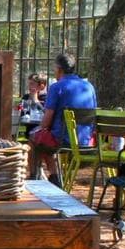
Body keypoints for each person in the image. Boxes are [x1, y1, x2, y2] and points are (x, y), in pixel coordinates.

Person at [27, 52, 97, 187]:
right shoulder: (89, 87)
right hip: (86, 140)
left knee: (35, 138)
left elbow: (46, 120)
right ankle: (53, 179)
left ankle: (37, 179)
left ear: (59, 69)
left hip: (63, 139)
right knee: (45, 142)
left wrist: (38, 129)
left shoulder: (56, 87)